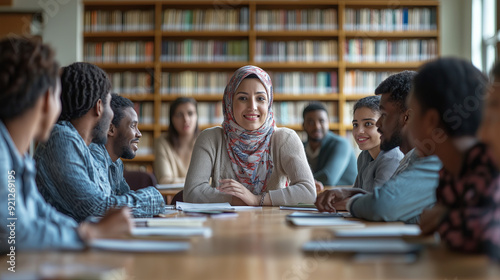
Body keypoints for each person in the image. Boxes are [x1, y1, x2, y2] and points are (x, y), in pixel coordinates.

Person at [0, 38, 131, 252]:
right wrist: (89, 234)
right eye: (58, 97)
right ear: (45, 99)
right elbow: (15, 233)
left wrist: (84, 233)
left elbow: (39, 211)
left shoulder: (17, 155)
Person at [34, 62, 164, 223]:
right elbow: (95, 208)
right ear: (99, 107)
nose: (112, 116)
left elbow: (111, 199)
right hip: (57, 246)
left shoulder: (82, 145)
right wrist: (153, 196)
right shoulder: (62, 137)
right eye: (109, 105)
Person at [315, 71, 442, 223]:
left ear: (407, 117)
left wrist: (351, 202)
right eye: (355, 124)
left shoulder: (429, 158)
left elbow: (382, 206)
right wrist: (353, 193)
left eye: (384, 115)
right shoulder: (410, 158)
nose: (379, 124)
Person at [184, 65, 316, 205]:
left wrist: (256, 200)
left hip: (274, 225)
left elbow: (308, 192)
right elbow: (192, 192)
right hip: (224, 225)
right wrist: (239, 199)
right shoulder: (211, 139)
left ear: (269, 103)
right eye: (242, 98)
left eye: (260, 98)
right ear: (229, 102)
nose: (252, 106)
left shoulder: (285, 139)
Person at [410, 58, 499, 259]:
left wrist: (444, 218)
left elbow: (485, 235)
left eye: (411, 113)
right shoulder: (449, 170)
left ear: (431, 121)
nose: (406, 127)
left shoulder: (486, 160)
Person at [90, 94, 165, 215]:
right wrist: (152, 196)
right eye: (133, 126)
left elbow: (126, 202)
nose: (139, 134)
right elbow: (105, 208)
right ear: (111, 129)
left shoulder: (116, 162)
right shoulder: (94, 155)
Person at [351, 96, 403, 192]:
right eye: (355, 125)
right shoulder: (364, 156)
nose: (359, 131)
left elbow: (375, 203)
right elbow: (355, 194)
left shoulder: (392, 158)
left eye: (368, 124)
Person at [302, 103, 357, 191]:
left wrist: (297, 183)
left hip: (344, 199)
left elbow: (328, 179)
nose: (317, 126)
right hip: (315, 197)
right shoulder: (301, 147)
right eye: (311, 122)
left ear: (328, 122)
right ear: (303, 125)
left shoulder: (341, 144)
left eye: (321, 121)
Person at [154, 97, 199, 184]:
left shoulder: (206, 141)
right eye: (179, 115)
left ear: (197, 116)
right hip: (174, 197)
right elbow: (164, 181)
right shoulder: (162, 142)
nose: (186, 119)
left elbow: (214, 181)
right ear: (172, 119)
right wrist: (198, 183)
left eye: (190, 113)